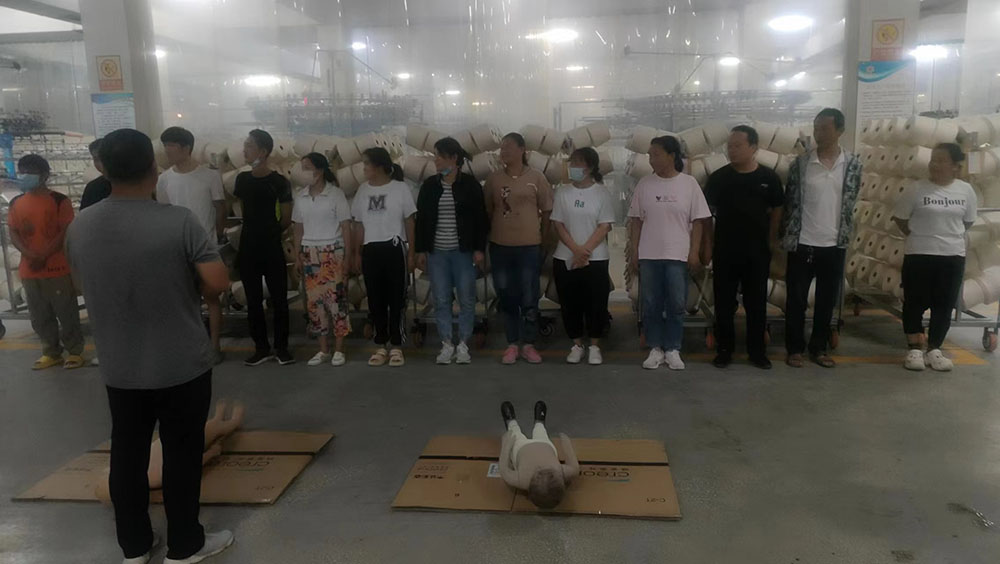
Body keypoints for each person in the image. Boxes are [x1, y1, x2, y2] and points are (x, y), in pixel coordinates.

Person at [66, 128, 233, 564]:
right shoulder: (178, 221)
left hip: (120, 365)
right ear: (153, 168)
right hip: (180, 363)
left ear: (104, 169)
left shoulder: (81, 225)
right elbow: (217, 282)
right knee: (181, 454)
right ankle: (185, 545)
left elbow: (81, 283)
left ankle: (135, 547)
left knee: (127, 453)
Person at [780, 108, 862, 369]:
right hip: (802, 242)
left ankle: (819, 348)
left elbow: (852, 200)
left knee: (826, 301)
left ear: (840, 131)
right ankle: (795, 348)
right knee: (796, 300)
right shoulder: (801, 165)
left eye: (825, 128)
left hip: (834, 244)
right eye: (816, 128)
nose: (819, 133)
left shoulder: (852, 165)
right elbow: (790, 201)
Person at [628, 136, 711, 370]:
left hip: (678, 255)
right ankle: (655, 348)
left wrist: (694, 253)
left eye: (655, 154)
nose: (650, 159)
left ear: (671, 156)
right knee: (651, 303)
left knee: (676, 302)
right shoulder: (644, 184)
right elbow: (636, 222)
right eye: (649, 155)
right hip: (649, 255)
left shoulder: (689, 184)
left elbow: (698, 222)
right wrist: (634, 251)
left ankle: (673, 348)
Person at [705, 126, 784, 370]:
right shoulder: (719, 178)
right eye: (729, 146)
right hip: (725, 251)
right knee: (724, 303)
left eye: (738, 145)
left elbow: (778, 208)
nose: (732, 150)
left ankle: (757, 352)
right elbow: (706, 214)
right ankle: (724, 349)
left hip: (757, 252)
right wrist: (708, 244)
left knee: (756, 303)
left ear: (754, 147)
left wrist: (772, 240)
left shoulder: (769, 178)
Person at [892, 143, 977, 372]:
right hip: (919, 254)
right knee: (914, 302)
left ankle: (934, 349)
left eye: (941, 160)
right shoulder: (916, 189)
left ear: (955, 166)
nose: (935, 165)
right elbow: (900, 218)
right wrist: (921, 235)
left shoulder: (966, 191)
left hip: (952, 256)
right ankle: (914, 349)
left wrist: (947, 235)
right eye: (933, 160)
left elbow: (968, 221)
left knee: (944, 304)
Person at [414, 137, 489, 365]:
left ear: (454, 158)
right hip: (437, 253)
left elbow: (480, 220)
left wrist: (479, 249)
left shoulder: (470, 185)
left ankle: (463, 343)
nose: (435, 160)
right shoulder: (430, 186)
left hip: (463, 252)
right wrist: (420, 250)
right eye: (435, 156)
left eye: (439, 155)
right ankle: (446, 343)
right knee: (441, 298)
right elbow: (421, 221)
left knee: (466, 298)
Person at [157, 127, 227, 365]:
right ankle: (191, 348)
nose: (167, 150)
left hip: (207, 248)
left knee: (212, 298)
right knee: (186, 302)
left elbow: (220, 208)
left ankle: (214, 346)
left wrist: (217, 235)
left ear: (186, 147)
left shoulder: (209, 176)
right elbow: (164, 214)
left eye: (171, 145)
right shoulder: (164, 179)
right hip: (177, 249)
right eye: (165, 145)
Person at [8, 154, 85, 370]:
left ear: (44, 175)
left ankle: (75, 351)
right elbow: (13, 231)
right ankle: (50, 352)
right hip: (29, 270)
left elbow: (64, 231)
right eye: (22, 172)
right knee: (39, 314)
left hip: (57, 268)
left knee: (66, 312)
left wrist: (43, 255)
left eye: (30, 173)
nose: (25, 176)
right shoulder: (16, 203)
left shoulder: (59, 201)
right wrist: (29, 254)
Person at [484, 133, 554, 364]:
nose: (503, 151)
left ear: (522, 150)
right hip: (501, 247)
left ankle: (529, 344)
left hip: (529, 248)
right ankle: (512, 343)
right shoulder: (494, 179)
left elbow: (547, 211)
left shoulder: (536, 177)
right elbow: (488, 210)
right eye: (501, 148)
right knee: (506, 295)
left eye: (508, 147)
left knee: (529, 295)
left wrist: (543, 240)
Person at [96, 400, 245, 503]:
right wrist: (211, 454)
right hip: (180, 448)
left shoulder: (126, 468)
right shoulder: (151, 477)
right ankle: (227, 424)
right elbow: (187, 467)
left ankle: (218, 422)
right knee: (207, 432)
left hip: (173, 443)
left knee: (203, 429)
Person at [550, 147, 615, 365]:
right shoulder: (562, 192)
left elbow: (604, 226)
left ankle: (595, 345)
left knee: (596, 302)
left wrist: (584, 250)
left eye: (578, 162)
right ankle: (577, 344)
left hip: (595, 259)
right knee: (570, 302)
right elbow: (558, 224)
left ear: (591, 167)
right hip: (565, 257)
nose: (573, 167)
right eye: (572, 162)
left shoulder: (601, 193)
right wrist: (575, 250)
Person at [351, 147, 416, 367]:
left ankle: (396, 345)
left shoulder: (400, 188)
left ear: (379, 166)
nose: (364, 168)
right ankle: (380, 344)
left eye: (366, 163)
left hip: (394, 248)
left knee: (396, 299)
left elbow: (409, 221)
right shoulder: (362, 190)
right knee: (375, 299)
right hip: (371, 250)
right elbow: (359, 224)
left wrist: (412, 252)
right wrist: (357, 253)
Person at [235, 129, 294, 367]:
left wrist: (269, 231)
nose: (244, 150)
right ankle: (261, 347)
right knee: (253, 300)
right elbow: (244, 211)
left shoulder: (279, 182)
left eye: (249, 145)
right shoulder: (242, 180)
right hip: (248, 247)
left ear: (263, 151)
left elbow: (286, 218)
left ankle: (282, 348)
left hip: (271, 246)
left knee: (279, 299)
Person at [291, 152, 352, 367]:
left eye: (307, 168)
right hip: (310, 253)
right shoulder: (301, 196)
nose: (304, 172)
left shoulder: (335, 194)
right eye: (302, 168)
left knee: (336, 302)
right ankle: (323, 349)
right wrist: (298, 255)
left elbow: (346, 226)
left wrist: (347, 257)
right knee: (315, 304)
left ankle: (339, 349)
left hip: (332, 251)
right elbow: (298, 228)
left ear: (320, 170)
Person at [499, 400, 579, 510]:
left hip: (520, 447)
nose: (541, 468)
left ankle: (511, 422)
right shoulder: (561, 472)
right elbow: (574, 467)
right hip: (544, 444)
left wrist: (506, 446)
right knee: (541, 433)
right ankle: (539, 422)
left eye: (538, 473)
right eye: (550, 473)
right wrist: (566, 443)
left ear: (529, 487)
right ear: (561, 481)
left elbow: (504, 470)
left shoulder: (521, 480)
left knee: (515, 435)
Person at [80, 138, 112, 210]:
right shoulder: (93, 188)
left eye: (106, 158)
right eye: (96, 159)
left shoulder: (134, 184)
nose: (101, 164)